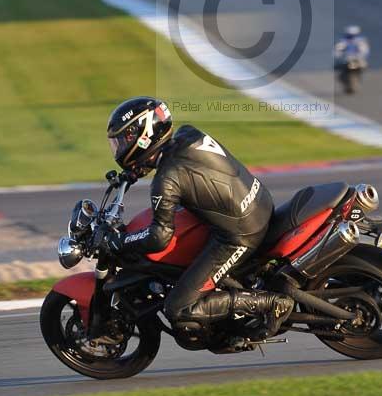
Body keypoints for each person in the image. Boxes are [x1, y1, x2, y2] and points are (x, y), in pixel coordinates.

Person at [103, 96, 293, 342]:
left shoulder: (167, 180)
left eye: (123, 139)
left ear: (144, 135)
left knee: (179, 308)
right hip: (259, 203)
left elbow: (159, 237)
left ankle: (271, 303)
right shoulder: (187, 135)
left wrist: (121, 241)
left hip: (240, 234)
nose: (119, 147)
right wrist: (139, 168)